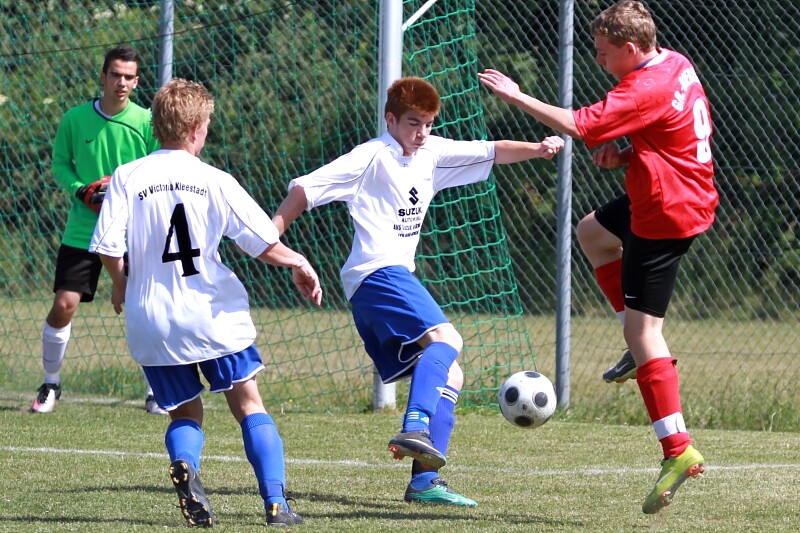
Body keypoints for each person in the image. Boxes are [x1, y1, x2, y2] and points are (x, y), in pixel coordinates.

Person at [272, 76, 564, 507]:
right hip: (377, 274)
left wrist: (537, 149)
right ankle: (414, 425)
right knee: (449, 338)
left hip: (388, 280)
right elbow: (304, 188)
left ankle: (425, 482)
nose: (422, 132)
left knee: (452, 373)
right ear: (390, 119)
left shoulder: (432, 153)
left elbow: (492, 150)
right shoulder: (370, 157)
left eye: (428, 124)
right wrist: (272, 238)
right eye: (413, 123)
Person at [479, 0, 717, 515]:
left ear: (631, 48)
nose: (599, 60)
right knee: (592, 234)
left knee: (645, 331)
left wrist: (516, 96)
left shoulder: (641, 87)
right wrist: (629, 154)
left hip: (665, 211)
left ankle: (677, 449)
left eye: (604, 52)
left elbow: (576, 124)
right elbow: (678, 128)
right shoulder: (674, 63)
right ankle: (638, 350)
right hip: (679, 191)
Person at [90, 78, 321, 527]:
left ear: (157, 126)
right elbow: (262, 242)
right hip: (211, 315)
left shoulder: (127, 176)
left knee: (184, 411)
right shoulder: (215, 180)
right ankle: (276, 504)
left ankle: (186, 465)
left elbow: (107, 247)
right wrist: (298, 261)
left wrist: (120, 285)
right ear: (196, 128)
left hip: (152, 318)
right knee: (248, 404)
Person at [34, 45, 166, 415]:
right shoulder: (75, 118)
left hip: (134, 230)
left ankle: (156, 391)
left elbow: (157, 168)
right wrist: (82, 190)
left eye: (129, 77)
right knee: (64, 304)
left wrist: (128, 194)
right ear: (103, 77)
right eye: (115, 75)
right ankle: (51, 383)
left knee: (148, 308)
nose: (121, 82)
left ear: (136, 82)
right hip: (83, 229)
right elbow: (61, 165)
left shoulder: (146, 121)